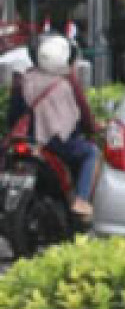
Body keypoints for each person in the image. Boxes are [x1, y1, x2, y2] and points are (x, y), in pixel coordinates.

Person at [5, 34, 100, 220]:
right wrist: (94, 129)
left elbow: (13, 116)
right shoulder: (67, 82)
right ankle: (81, 200)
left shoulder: (24, 79)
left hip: (29, 141)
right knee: (91, 153)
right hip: (56, 143)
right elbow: (82, 117)